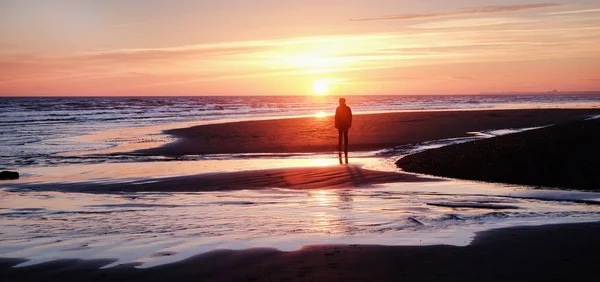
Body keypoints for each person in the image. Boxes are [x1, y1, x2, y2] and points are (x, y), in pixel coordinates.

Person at [335, 97, 352, 163]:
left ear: (343, 101)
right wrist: (336, 124)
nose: (339, 102)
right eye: (339, 101)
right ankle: (340, 146)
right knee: (341, 135)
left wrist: (350, 123)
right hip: (341, 124)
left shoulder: (346, 108)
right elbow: (336, 116)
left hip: (345, 124)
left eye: (340, 101)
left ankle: (344, 146)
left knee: (344, 135)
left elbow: (350, 116)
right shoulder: (339, 108)